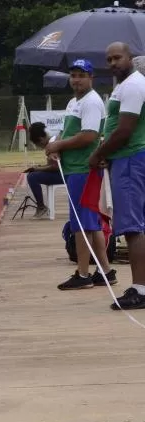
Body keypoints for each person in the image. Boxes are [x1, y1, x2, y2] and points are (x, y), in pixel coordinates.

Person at [46, 59, 117, 290]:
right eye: (73, 75)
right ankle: (106, 271)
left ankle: (83, 274)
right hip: (74, 167)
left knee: (81, 223)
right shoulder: (74, 102)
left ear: (91, 77)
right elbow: (67, 132)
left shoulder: (92, 102)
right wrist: (56, 145)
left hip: (83, 169)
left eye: (81, 75)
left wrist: (59, 146)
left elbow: (89, 135)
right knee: (90, 222)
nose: (76, 79)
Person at [89, 42, 145, 310]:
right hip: (125, 158)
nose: (112, 63)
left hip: (131, 158)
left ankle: (140, 289)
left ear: (129, 58)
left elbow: (124, 130)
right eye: (109, 59)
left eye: (117, 57)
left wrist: (98, 152)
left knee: (133, 227)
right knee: (135, 225)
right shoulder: (123, 86)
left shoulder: (134, 84)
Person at [24, 122, 62, 219]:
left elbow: (55, 167)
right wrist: (40, 167)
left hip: (63, 175)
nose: (39, 147)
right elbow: (54, 165)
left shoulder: (52, 145)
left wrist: (37, 168)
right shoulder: (54, 139)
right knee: (34, 173)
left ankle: (41, 207)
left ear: (41, 139)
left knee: (32, 177)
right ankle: (41, 206)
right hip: (63, 172)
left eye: (38, 144)